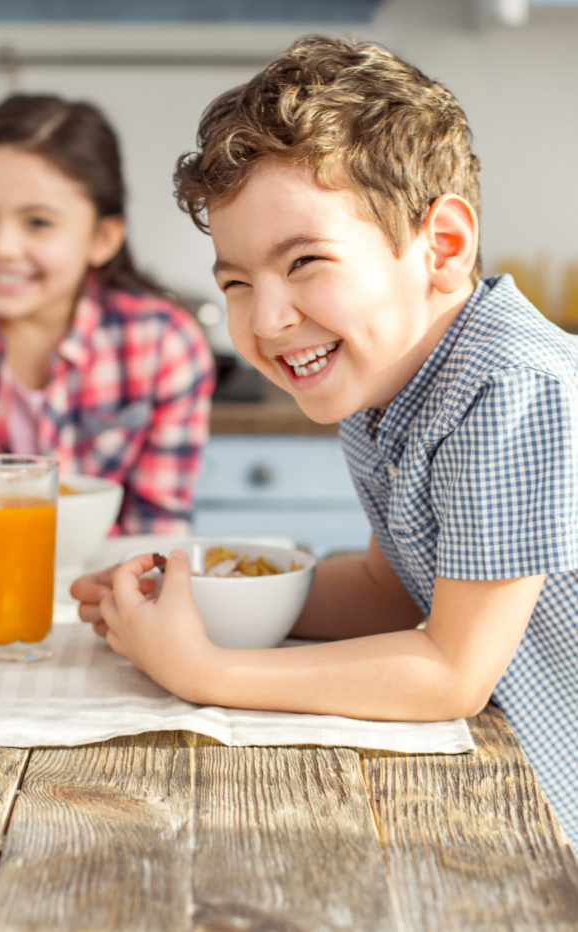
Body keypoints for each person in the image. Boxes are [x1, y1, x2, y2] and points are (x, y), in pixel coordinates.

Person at [70, 37, 578, 850]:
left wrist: (203, 671)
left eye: (306, 262)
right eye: (235, 282)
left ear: (441, 249)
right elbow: (392, 588)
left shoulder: (511, 384)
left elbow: (451, 671)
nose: (265, 321)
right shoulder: (386, 382)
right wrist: (193, 591)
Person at [0, 93, 215, 533]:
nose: (1, 247)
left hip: (107, 590)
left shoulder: (166, 345)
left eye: (37, 222)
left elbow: (156, 527)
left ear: (103, 238)